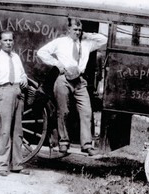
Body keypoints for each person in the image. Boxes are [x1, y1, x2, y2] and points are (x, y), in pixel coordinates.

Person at [37, 17, 107, 156]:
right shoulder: (60, 42)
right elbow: (41, 52)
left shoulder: (86, 43)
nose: (78, 32)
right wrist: (57, 64)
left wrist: (88, 35)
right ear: (68, 29)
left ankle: (86, 145)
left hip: (80, 81)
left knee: (86, 111)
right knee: (63, 112)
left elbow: (103, 40)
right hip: (63, 79)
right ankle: (63, 143)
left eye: (80, 30)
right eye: (75, 29)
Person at [0, 30, 29, 176]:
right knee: (4, 130)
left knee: (18, 131)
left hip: (18, 93)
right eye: (5, 40)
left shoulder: (16, 57)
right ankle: (1, 166)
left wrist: (24, 79)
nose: (9, 43)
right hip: (3, 93)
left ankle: (17, 164)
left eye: (10, 40)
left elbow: (23, 74)